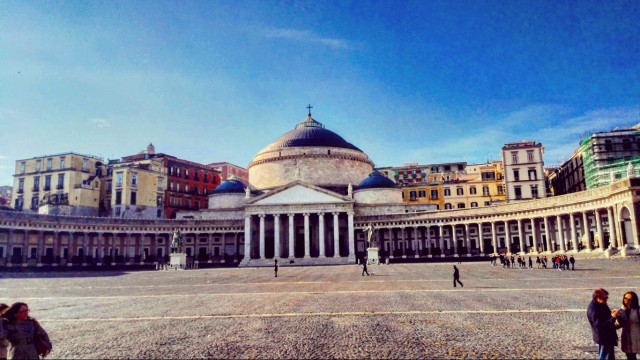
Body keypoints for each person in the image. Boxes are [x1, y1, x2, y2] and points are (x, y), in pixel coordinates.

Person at [587, 288, 619, 360]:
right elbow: (599, 326)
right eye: (604, 298)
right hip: (604, 337)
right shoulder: (593, 309)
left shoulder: (601, 303)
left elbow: (605, 316)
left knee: (609, 357)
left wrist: (611, 313)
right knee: (604, 357)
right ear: (597, 298)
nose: (606, 300)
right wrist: (613, 318)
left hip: (608, 336)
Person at [617, 291, 640, 360]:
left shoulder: (638, 310)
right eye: (625, 298)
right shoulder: (622, 310)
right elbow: (619, 324)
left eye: (629, 299)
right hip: (627, 339)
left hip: (637, 338)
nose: (626, 301)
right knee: (630, 357)